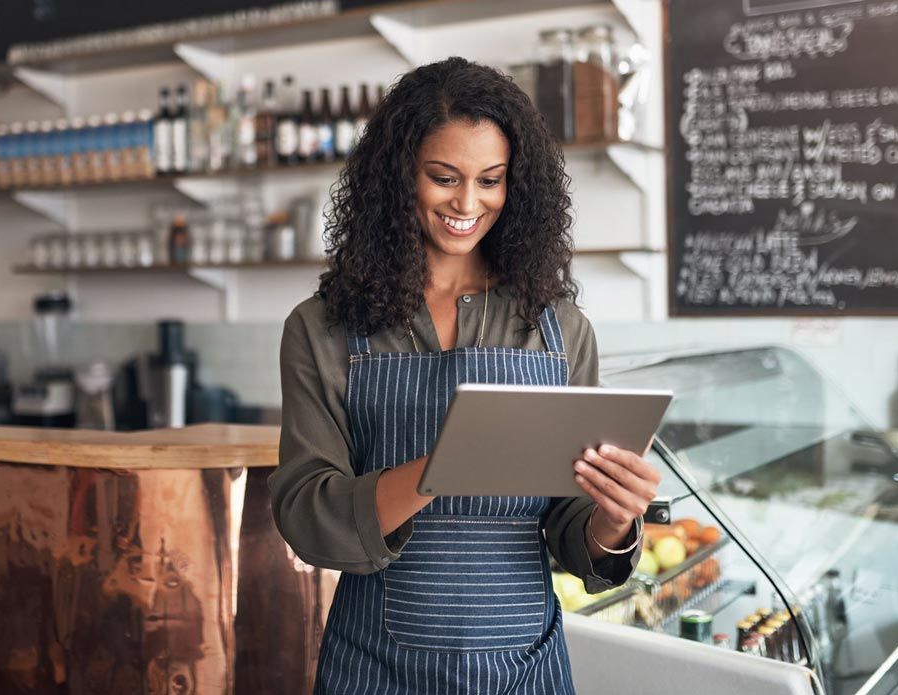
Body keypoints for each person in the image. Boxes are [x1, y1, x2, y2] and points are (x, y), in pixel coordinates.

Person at [270, 57, 662, 694]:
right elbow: (305, 513)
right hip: (373, 669)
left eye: (491, 180)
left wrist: (614, 520)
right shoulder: (322, 328)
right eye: (444, 178)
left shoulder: (559, 328)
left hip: (524, 670)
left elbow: (572, 528)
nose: (468, 203)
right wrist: (443, 467)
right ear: (399, 178)